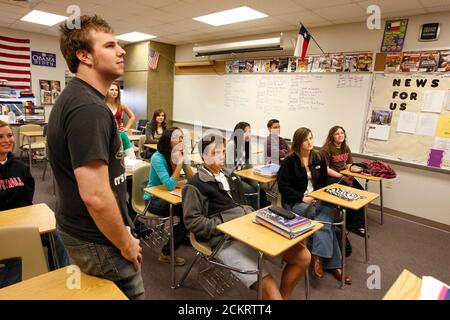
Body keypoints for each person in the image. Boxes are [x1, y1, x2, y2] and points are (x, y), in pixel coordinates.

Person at [47, 15, 144, 299]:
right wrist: (126, 242)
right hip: (98, 240)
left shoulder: (77, 98)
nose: (122, 51)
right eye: (110, 45)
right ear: (84, 55)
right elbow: (96, 196)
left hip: (85, 231)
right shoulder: (88, 108)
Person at [182, 133, 311, 300]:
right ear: (203, 156)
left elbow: (243, 205)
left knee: (303, 256)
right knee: (272, 295)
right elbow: (192, 222)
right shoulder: (194, 186)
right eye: (215, 153)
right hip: (225, 240)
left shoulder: (231, 176)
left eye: (222, 151)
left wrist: (257, 216)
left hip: (250, 229)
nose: (221, 156)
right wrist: (224, 224)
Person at [0, 120, 70, 288]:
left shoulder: (21, 168)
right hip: (2, 228)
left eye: (9, 136)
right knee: (18, 252)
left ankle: (64, 280)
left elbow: (27, 199)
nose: (7, 140)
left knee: (56, 235)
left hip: (23, 222)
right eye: (0, 137)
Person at [278, 127, 352, 285]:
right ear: (298, 142)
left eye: (311, 138)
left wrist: (319, 197)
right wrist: (302, 198)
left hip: (316, 199)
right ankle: (334, 265)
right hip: (295, 202)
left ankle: (318, 256)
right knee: (325, 218)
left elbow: (323, 183)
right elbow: (283, 188)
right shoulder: (289, 161)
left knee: (325, 213)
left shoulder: (318, 157)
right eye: (306, 139)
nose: (310, 142)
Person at [144, 127, 193, 266]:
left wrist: (185, 161)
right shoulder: (157, 158)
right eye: (178, 138)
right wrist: (179, 163)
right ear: (168, 141)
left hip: (169, 197)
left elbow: (193, 179)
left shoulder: (178, 154)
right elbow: (170, 185)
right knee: (186, 213)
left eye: (182, 138)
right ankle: (167, 252)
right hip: (152, 199)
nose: (181, 141)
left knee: (189, 212)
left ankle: (182, 236)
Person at [320, 126, 366, 237]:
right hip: (331, 177)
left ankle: (355, 223)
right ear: (332, 136)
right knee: (350, 195)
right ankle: (351, 223)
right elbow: (326, 169)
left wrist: (353, 174)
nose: (340, 135)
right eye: (337, 134)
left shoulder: (346, 147)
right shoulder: (326, 149)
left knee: (361, 192)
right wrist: (343, 178)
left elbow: (349, 165)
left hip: (344, 176)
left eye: (342, 133)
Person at [226, 121, 268, 208]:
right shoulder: (231, 145)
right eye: (245, 132)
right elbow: (229, 169)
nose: (248, 134)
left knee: (257, 187)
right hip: (232, 177)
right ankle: (250, 209)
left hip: (244, 175)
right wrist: (239, 178)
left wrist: (255, 174)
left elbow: (249, 164)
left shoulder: (248, 145)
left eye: (250, 131)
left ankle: (257, 209)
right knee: (250, 190)